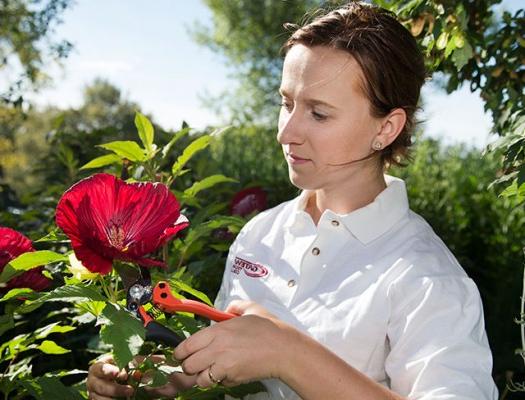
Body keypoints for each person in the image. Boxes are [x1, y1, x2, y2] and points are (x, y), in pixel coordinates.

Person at [86, 2, 499, 399]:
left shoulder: (428, 278)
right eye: (287, 104)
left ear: (387, 128)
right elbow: (225, 371)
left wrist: (288, 354)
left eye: (319, 114)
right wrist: (157, 379)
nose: (286, 133)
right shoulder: (259, 234)